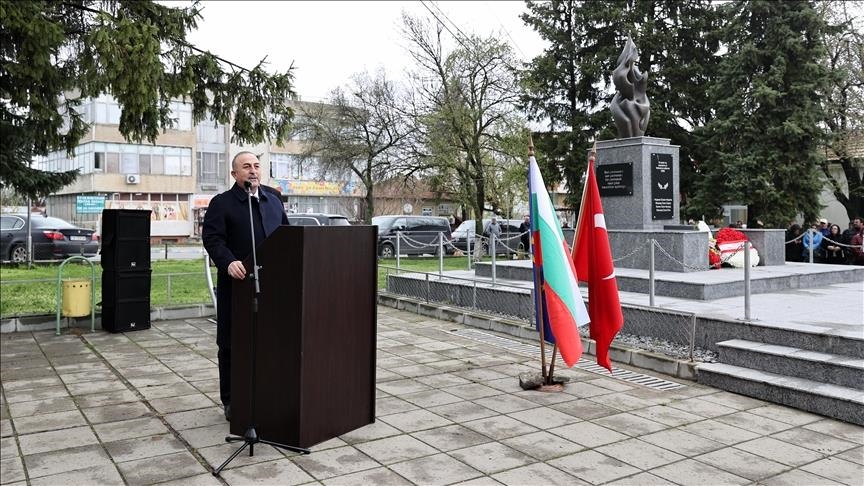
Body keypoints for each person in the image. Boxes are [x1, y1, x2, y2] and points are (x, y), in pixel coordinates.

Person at [202, 151, 289, 422]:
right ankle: (231, 400)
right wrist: (228, 262)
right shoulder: (222, 203)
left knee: (269, 343)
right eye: (246, 166)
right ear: (234, 174)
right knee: (230, 345)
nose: (253, 170)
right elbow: (213, 239)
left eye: (256, 166)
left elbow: (288, 236)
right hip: (237, 285)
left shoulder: (273, 200)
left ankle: (267, 393)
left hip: (272, 286)